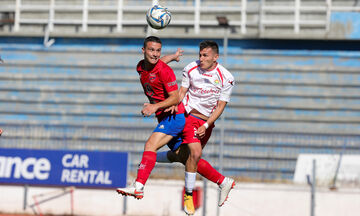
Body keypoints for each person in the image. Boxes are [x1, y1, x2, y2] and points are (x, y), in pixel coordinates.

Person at [159, 40, 236, 215]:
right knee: (194, 153)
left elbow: (220, 106)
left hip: (206, 123)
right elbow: (181, 92)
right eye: (200, 55)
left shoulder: (227, 77)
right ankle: (189, 195)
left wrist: (207, 124)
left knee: (187, 158)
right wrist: (173, 104)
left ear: (216, 57)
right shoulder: (190, 69)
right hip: (188, 117)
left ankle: (223, 181)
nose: (201, 58)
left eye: (205, 55)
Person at [116, 36, 186, 199]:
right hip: (163, 118)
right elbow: (160, 61)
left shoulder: (164, 71)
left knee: (150, 145)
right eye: (151, 50)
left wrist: (154, 106)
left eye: (158, 50)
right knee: (185, 157)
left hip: (174, 117)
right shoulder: (141, 67)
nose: (155, 54)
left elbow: (175, 98)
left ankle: (138, 186)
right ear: (143, 51)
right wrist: (173, 57)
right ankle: (222, 180)